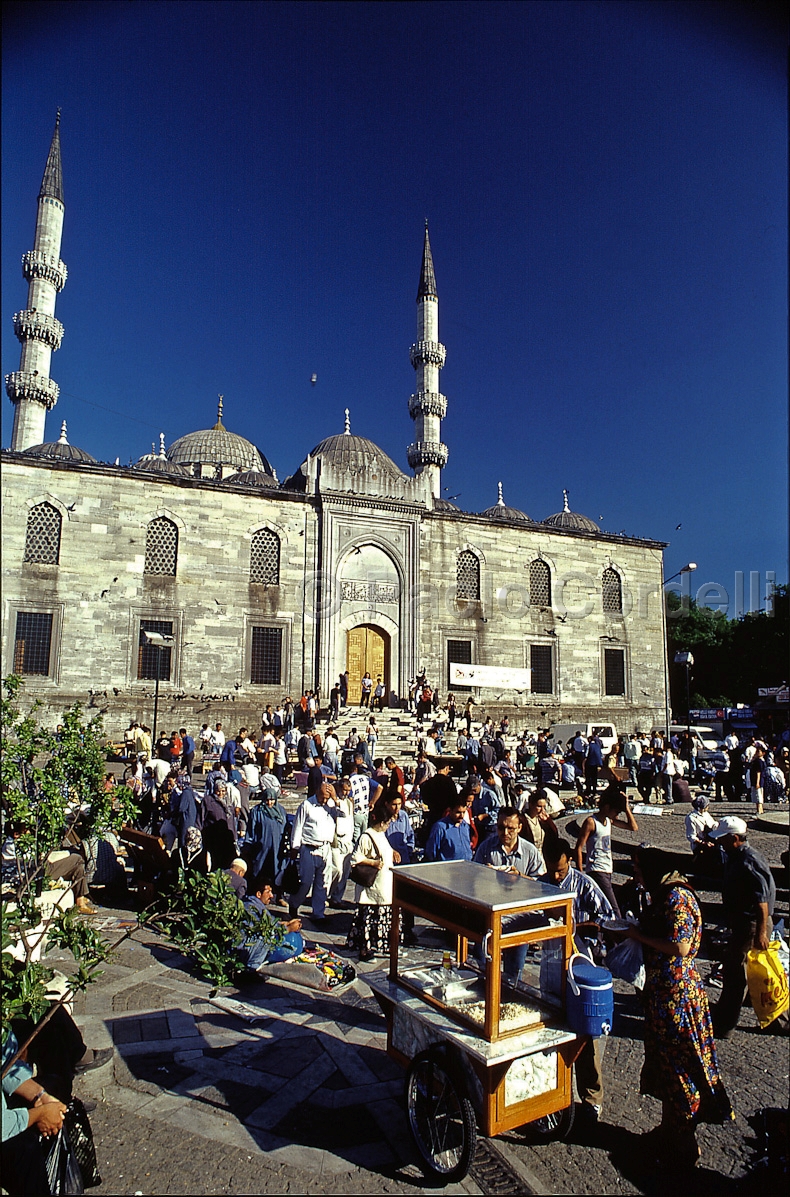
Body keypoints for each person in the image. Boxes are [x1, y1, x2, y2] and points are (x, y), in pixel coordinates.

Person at [623, 846, 733, 1166]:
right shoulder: (663, 892)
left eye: (638, 866)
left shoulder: (677, 899)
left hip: (676, 996)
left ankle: (684, 1142)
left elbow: (681, 945)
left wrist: (639, 937)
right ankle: (669, 1131)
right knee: (666, 1063)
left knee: (679, 1065)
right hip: (663, 992)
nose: (635, 872)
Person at [541, 838, 615, 1123]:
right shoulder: (542, 881)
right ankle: (555, 1094)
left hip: (580, 966)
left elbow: (607, 918)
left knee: (585, 1034)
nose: (556, 876)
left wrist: (575, 928)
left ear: (569, 861)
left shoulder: (584, 885)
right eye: (552, 871)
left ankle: (592, 1097)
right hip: (550, 965)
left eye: (560, 870)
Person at [707, 816, 786, 1038]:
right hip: (746, 924)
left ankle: (725, 1024)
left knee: (736, 973)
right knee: (745, 972)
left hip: (751, 925)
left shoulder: (748, 861)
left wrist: (761, 932)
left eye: (722, 839)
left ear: (734, 838)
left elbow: (762, 902)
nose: (719, 843)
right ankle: (767, 1018)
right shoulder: (737, 857)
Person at [472, 807, 544, 985]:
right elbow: (472, 877)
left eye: (510, 828)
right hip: (490, 920)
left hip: (519, 919)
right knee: (482, 966)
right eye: (501, 827)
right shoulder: (487, 847)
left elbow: (542, 884)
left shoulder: (530, 851)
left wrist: (520, 877)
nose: (505, 832)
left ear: (519, 827)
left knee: (514, 972)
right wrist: (484, 874)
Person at [347, 795, 398, 962]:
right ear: (382, 823)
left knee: (381, 917)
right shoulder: (366, 836)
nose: (389, 825)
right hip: (371, 886)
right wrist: (373, 863)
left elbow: (386, 850)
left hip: (384, 885)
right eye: (388, 822)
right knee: (368, 919)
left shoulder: (381, 835)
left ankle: (379, 946)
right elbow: (355, 859)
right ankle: (365, 950)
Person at [574, 786, 638, 917]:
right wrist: (581, 872)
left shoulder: (609, 821)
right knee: (613, 909)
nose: (617, 814)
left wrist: (626, 808)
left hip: (607, 868)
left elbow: (633, 827)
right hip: (597, 869)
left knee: (601, 907)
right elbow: (579, 847)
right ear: (607, 807)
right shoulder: (591, 822)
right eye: (616, 811)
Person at [288, 781, 339, 924]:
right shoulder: (307, 805)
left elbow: (344, 814)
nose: (324, 800)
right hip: (308, 848)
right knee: (305, 882)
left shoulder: (331, 805)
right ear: (317, 792)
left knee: (323, 882)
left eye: (327, 797)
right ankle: (294, 904)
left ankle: (318, 913)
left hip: (325, 848)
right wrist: (295, 847)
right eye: (323, 797)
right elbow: (298, 826)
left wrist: (335, 799)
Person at [238, 877, 304, 971]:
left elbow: (272, 922)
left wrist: (287, 923)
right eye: (268, 892)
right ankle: (251, 968)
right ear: (258, 894)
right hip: (243, 950)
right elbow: (265, 929)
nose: (272, 896)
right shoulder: (251, 909)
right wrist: (288, 929)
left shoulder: (255, 905)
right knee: (266, 936)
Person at [242, 786, 288, 882]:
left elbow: (286, 826)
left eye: (272, 800)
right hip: (261, 849)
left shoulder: (281, 811)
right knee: (259, 872)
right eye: (267, 800)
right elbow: (251, 830)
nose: (269, 803)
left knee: (276, 872)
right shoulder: (257, 811)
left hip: (277, 848)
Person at [328, 776, 355, 906]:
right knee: (337, 870)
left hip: (347, 840)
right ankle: (328, 892)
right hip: (336, 840)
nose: (346, 793)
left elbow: (350, 820)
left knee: (345, 872)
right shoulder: (332, 802)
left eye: (348, 790)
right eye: (344, 790)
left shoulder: (349, 802)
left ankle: (337, 898)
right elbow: (339, 811)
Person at [424, 797, 473, 862]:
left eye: (464, 812)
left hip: (467, 865)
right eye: (458, 812)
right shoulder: (440, 827)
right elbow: (431, 851)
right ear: (450, 811)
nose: (461, 816)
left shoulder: (465, 826)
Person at [519, 790, 559, 858]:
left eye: (544, 807)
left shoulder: (541, 819)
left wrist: (548, 821)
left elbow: (554, 834)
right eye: (539, 806)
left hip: (541, 856)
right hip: (528, 856)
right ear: (531, 805)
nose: (542, 810)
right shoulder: (523, 820)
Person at [684, 795, 719, 864]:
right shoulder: (691, 818)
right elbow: (691, 836)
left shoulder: (706, 814)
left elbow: (713, 824)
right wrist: (703, 843)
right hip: (700, 846)